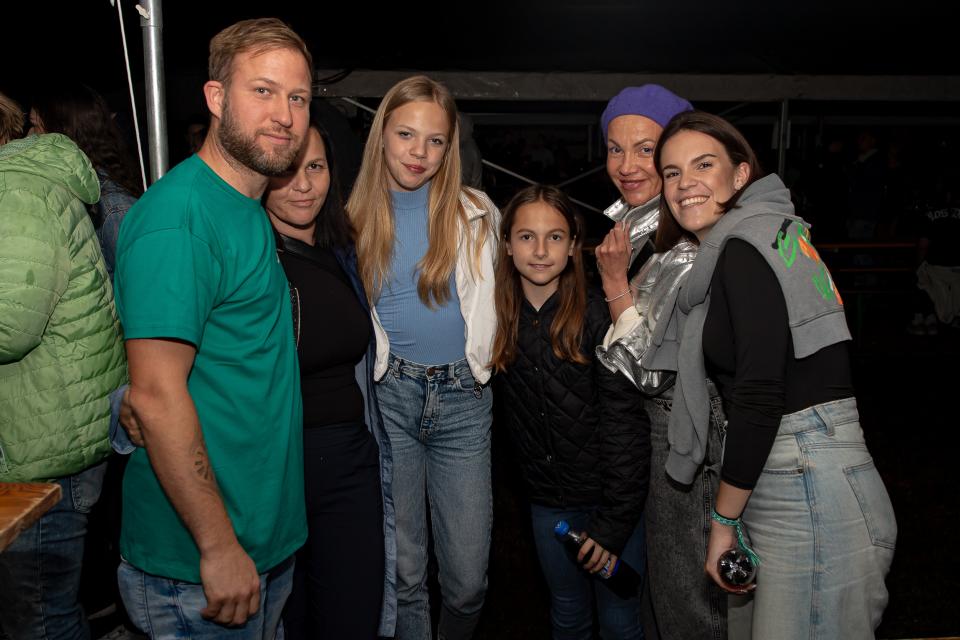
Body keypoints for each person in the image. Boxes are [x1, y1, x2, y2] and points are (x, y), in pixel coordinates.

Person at [649, 110, 896, 639]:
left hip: (806, 478)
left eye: (703, 164)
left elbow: (761, 393)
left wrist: (722, 522)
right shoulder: (753, 244)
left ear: (741, 174)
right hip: (787, 471)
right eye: (672, 172)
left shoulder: (746, 245)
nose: (685, 183)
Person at [112, 18, 312, 638]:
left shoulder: (246, 207)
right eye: (263, 91)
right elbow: (155, 396)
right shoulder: (181, 219)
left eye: (298, 97)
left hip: (259, 546)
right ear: (216, 98)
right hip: (197, 570)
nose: (284, 115)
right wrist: (219, 546)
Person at [345, 75, 500, 640]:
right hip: (390, 396)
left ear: (450, 147)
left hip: (464, 399)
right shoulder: (350, 219)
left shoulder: (477, 213)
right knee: (405, 575)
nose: (420, 152)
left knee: (468, 583)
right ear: (381, 135)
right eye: (406, 134)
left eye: (436, 140)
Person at [591, 85, 728, 640]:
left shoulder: (686, 240)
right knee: (660, 597)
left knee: (685, 600)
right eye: (614, 148)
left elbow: (649, 370)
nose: (626, 165)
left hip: (681, 434)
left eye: (645, 150)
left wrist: (614, 287)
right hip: (645, 437)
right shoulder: (633, 224)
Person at [490, 184, 650, 640]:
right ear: (507, 244)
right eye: (526, 236)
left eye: (555, 237)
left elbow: (625, 428)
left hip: (611, 503)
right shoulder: (497, 320)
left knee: (620, 621)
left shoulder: (598, 317)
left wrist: (613, 525)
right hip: (548, 506)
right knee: (567, 614)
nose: (540, 250)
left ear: (574, 245)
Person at [264, 112, 396, 639]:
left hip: (348, 459)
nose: (303, 185)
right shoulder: (249, 258)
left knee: (353, 617)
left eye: (315, 168)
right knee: (286, 622)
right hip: (276, 464)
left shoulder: (346, 253)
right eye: (287, 171)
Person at [0, 91, 126, 639]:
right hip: (41, 434)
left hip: (43, 448)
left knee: (39, 621)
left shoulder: (18, 192)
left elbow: (10, 325)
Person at [28, 82, 143, 279]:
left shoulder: (113, 205)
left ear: (63, 133)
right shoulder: (62, 191)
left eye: (34, 125)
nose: (28, 135)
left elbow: (142, 281)